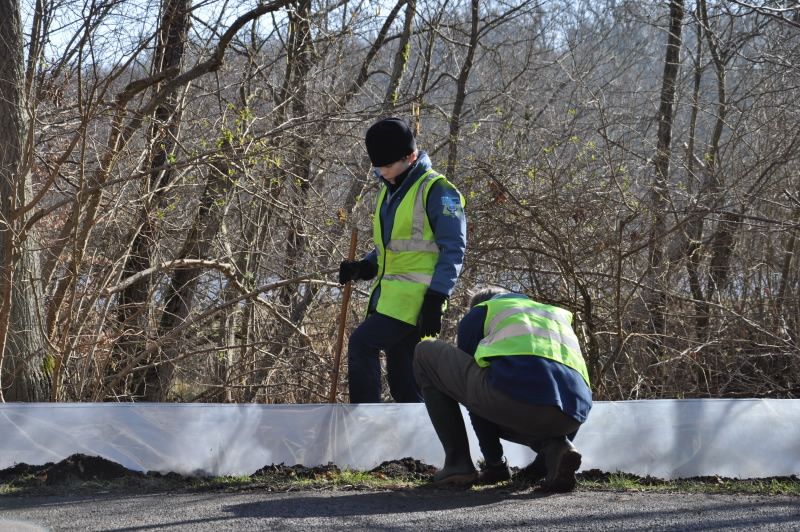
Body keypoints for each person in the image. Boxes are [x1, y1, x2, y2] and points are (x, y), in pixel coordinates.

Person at [413, 286, 592, 492]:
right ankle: (556, 450)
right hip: (572, 417)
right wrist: (536, 471)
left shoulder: (484, 311)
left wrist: (494, 463)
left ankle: (457, 464)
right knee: (540, 396)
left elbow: (473, 396)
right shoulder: (553, 314)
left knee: (425, 351)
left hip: (515, 402)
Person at [338, 117, 467, 403]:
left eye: (387, 166)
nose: (382, 173)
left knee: (362, 344)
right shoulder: (390, 189)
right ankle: (422, 441)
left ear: (410, 156)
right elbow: (392, 248)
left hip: (418, 301)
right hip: (391, 299)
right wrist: (364, 266)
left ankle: (364, 425)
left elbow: (453, 249)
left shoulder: (437, 190)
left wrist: (438, 297)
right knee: (406, 385)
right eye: (378, 167)